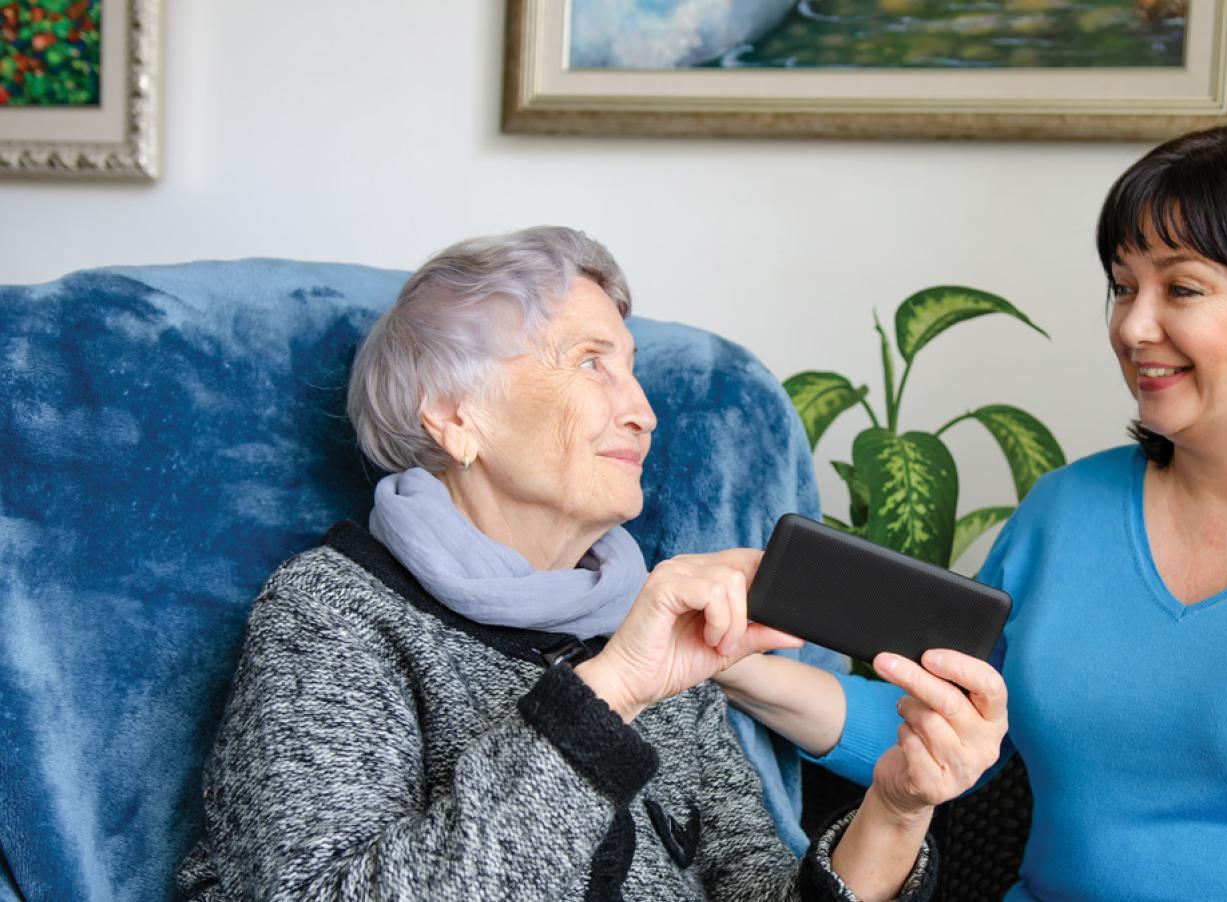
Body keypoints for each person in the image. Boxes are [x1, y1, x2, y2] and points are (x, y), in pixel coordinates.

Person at [716, 123, 1227, 900]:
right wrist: (734, 666)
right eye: (1122, 287)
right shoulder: (1067, 510)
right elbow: (941, 729)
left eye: (1180, 288)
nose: (1133, 327)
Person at [175, 226, 1008, 900]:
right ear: (454, 418)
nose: (643, 412)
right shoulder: (333, 615)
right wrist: (614, 689)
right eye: (589, 363)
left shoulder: (652, 628)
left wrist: (897, 812)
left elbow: (758, 887)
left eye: (633, 372)